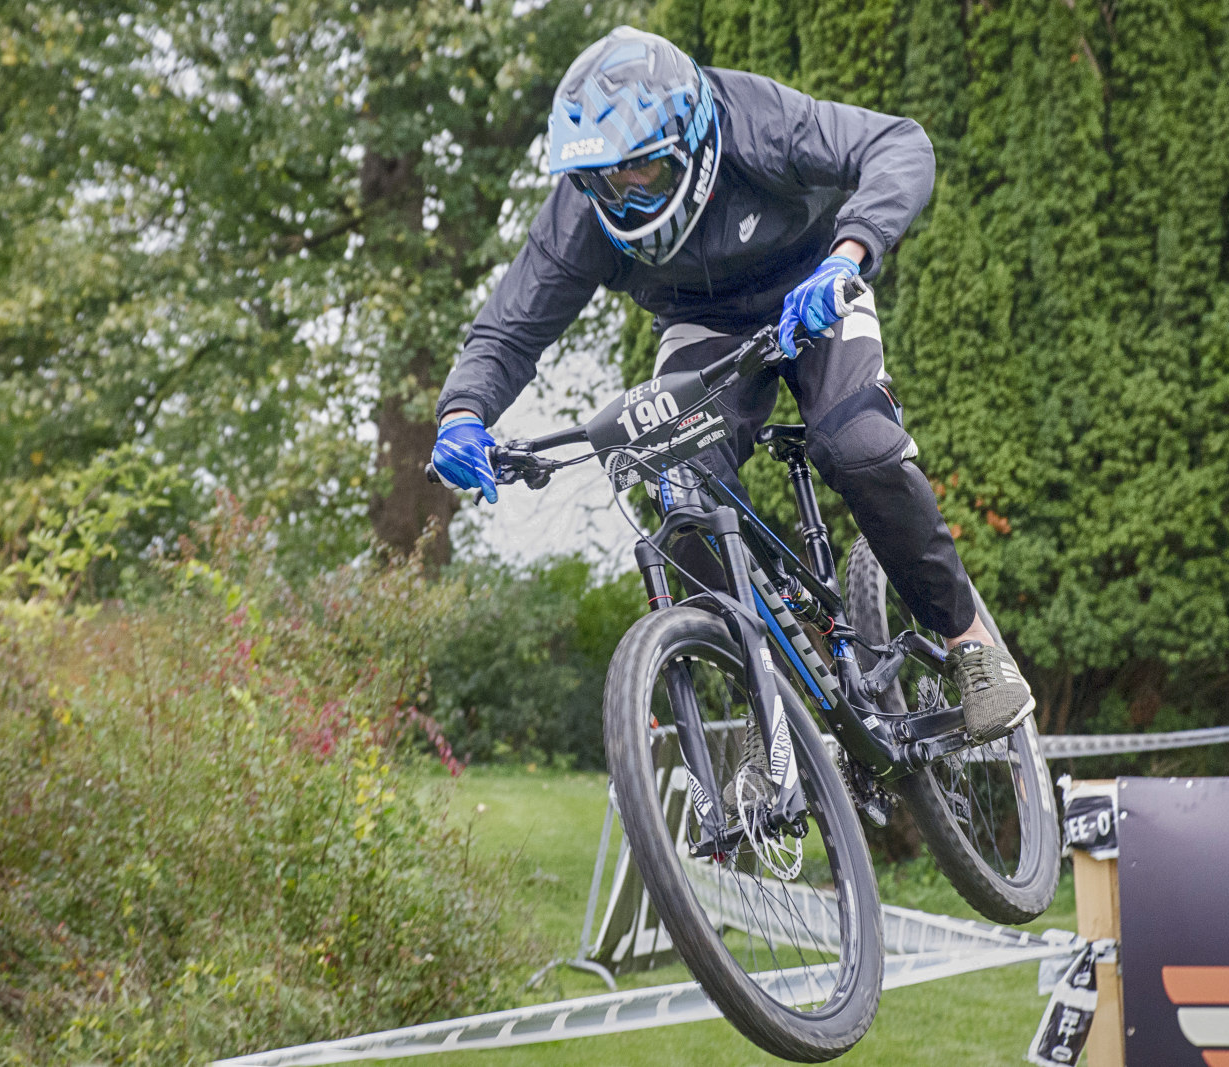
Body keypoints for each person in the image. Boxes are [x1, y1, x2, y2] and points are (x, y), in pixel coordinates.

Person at [430, 26, 1033, 744]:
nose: (623, 197)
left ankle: (970, 642)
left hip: (814, 288)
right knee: (680, 493)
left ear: (690, 141)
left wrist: (849, 255)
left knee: (858, 447)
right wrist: (462, 413)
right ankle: (774, 694)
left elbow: (899, 143)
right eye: (604, 182)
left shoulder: (754, 120)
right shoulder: (582, 213)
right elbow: (508, 328)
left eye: (642, 172)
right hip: (702, 326)